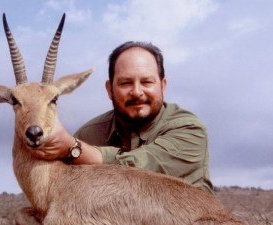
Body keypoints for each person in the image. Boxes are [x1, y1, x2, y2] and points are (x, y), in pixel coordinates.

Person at [31, 41, 213, 193]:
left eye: (147, 82)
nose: (137, 92)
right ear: (110, 90)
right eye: (125, 83)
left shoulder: (190, 130)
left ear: (163, 86)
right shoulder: (88, 135)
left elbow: (141, 170)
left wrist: (75, 150)